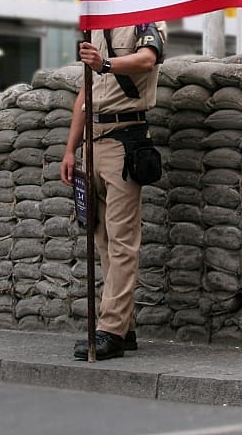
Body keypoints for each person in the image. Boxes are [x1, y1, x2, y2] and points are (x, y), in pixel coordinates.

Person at [60, 22, 166, 361]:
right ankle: (124, 325)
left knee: (121, 239)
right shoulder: (96, 28)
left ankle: (110, 330)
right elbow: (85, 94)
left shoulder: (146, 20)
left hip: (125, 137)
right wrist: (70, 149)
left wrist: (103, 64)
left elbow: (147, 60)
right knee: (102, 238)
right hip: (94, 141)